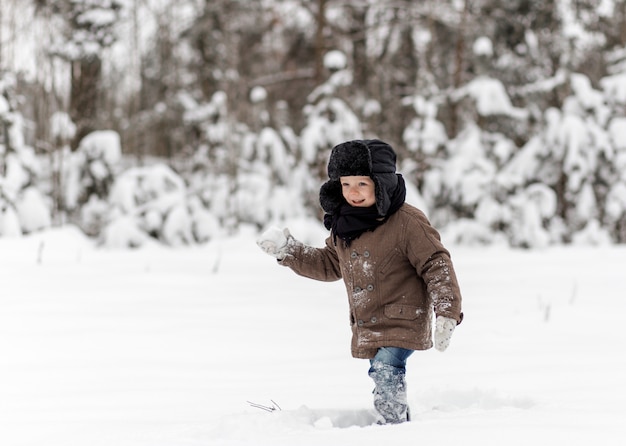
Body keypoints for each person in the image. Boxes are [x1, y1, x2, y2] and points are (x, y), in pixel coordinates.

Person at [256, 139, 463, 424]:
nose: (352, 193)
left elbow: (436, 264)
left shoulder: (407, 222)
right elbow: (329, 264)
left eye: (362, 184)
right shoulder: (345, 224)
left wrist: (446, 312)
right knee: (382, 372)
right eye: (345, 185)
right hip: (369, 322)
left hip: (404, 318)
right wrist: (288, 251)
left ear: (381, 182)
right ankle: (400, 423)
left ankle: (391, 425)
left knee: (386, 368)